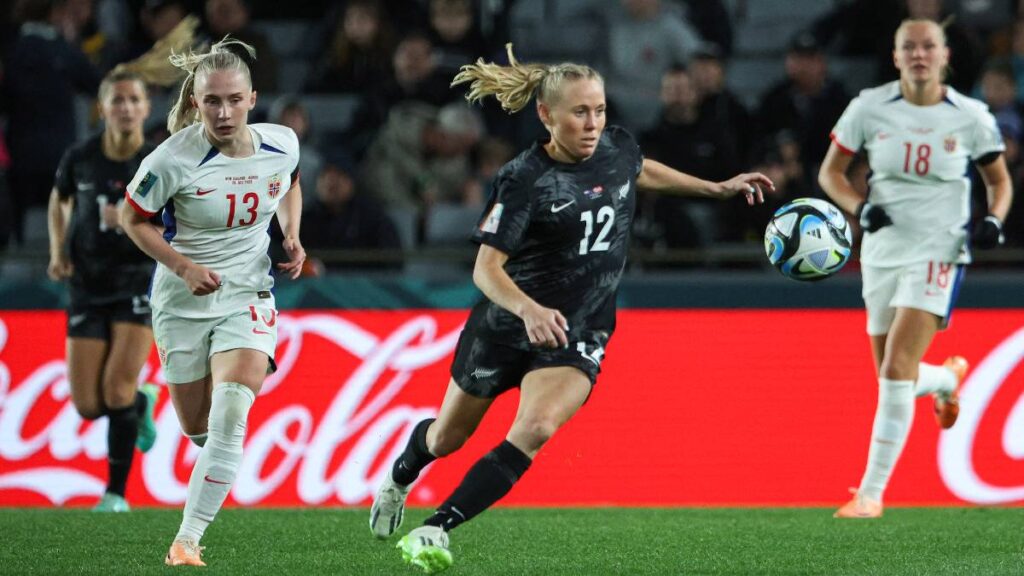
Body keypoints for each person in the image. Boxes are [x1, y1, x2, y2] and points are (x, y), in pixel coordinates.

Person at [369, 44, 772, 573]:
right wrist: (529, 309)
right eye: (580, 112)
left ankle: (434, 528)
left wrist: (716, 188)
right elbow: (485, 270)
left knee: (534, 428)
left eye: (600, 110)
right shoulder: (524, 179)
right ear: (547, 115)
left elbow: (640, 169)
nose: (592, 123)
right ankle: (401, 476)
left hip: (579, 327)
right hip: (507, 325)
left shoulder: (617, 147)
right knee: (448, 437)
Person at [120, 36, 305, 566]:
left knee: (231, 412)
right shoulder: (171, 159)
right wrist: (181, 266)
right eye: (211, 102)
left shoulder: (282, 142)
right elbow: (133, 219)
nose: (223, 113)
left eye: (233, 100)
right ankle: (184, 431)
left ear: (252, 98)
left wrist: (291, 233)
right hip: (180, 302)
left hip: (248, 292)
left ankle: (187, 539)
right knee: (198, 428)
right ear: (195, 102)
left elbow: (289, 182)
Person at [818, 18, 1013, 519]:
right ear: (896, 55)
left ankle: (870, 494)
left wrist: (994, 219)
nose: (920, 55)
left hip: (940, 249)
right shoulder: (868, 107)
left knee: (895, 370)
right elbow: (830, 173)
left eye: (929, 46)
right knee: (890, 375)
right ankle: (947, 382)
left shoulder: (971, 117)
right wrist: (859, 208)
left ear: (945, 56)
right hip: (882, 250)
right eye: (910, 47)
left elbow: (999, 182)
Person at [47, 67, 165, 513]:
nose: (126, 108)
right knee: (88, 405)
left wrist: (139, 224)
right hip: (87, 283)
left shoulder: (157, 161)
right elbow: (59, 200)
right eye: (117, 100)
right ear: (103, 107)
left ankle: (115, 495)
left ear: (146, 108)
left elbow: (179, 219)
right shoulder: (80, 156)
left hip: (138, 282)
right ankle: (142, 401)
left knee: (114, 390)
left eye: (134, 100)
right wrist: (58, 250)